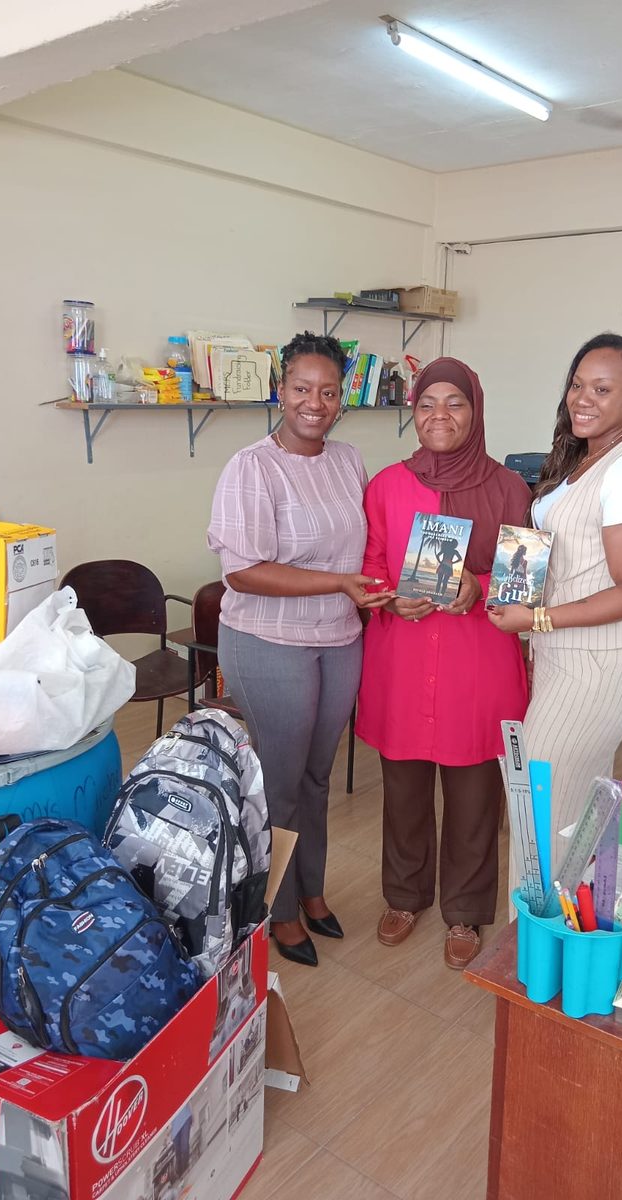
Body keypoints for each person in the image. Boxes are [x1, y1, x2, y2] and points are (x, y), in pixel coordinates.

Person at [207, 332, 392, 968]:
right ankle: (276, 911)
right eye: (301, 389)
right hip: (268, 641)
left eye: (329, 391)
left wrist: (384, 585)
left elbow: (361, 547)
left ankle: (311, 890)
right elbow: (243, 571)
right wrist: (339, 582)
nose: (315, 402)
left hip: (338, 638)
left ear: (343, 399)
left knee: (317, 778)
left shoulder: (347, 460)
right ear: (279, 391)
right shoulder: (251, 467)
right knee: (280, 784)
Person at [356, 357, 530, 970]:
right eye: (427, 402)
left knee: (473, 795)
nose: (440, 415)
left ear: (475, 410)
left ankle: (465, 911)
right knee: (402, 790)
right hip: (403, 659)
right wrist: (386, 591)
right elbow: (372, 562)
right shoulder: (386, 485)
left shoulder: (510, 488)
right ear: (413, 411)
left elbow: (523, 582)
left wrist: (479, 588)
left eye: (454, 402)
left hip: (477, 663)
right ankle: (404, 897)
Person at [488, 332, 622, 872]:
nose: (582, 398)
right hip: (569, 654)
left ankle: (532, 946)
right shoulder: (587, 459)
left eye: (601, 388)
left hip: (601, 660)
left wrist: (536, 617)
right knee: (572, 813)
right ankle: (574, 940)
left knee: (538, 815)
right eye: (576, 384)